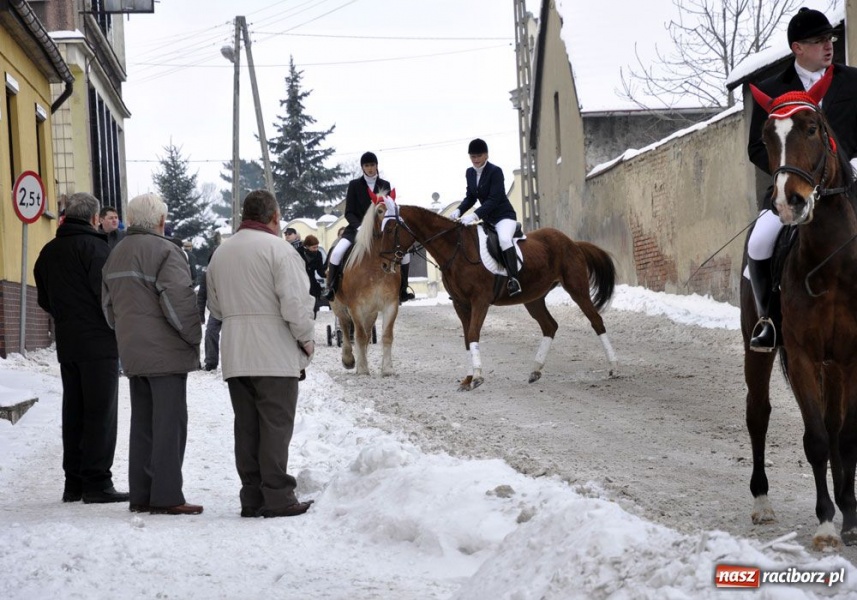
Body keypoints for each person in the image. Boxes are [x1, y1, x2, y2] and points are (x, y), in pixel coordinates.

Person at [746, 7, 857, 351]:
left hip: (848, 185)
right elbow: (755, 146)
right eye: (819, 40)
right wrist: (787, 175)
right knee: (759, 242)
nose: (829, 46)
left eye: (830, 39)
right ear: (797, 48)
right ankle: (768, 321)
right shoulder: (771, 89)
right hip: (793, 190)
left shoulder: (853, 80)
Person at [206, 189, 316, 519]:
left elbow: (215, 307)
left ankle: (251, 496)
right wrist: (306, 339)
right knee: (275, 425)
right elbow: (295, 305)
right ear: (275, 217)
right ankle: (279, 497)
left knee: (247, 426)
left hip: (236, 352)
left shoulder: (220, 255)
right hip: (274, 351)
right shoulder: (280, 251)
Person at [102, 193, 203, 515]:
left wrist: (127, 334)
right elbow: (179, 302)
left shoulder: (116, 253)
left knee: (143, 425)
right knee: (170, 426)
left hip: (132, 350)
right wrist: (193, 338)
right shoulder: (166, 251)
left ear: (130, 220)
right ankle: (167, 496)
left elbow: (107, 308)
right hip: (166, 353)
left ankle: (142, 494)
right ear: (161, 221)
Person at [34, 192, 129, 505]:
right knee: (101, 412)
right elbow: (107, 296)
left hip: (68, 342)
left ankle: (73, 483)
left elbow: (44, 299)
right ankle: (97, 483)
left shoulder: (48, 251)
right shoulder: (96, 248)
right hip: (99, 342)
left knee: (74, 411)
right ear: (94, 218)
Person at [325, 151, 414, 302]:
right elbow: (349, 212)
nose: (370, 168)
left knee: (405, 255)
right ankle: (332, 288)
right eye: (367, 166)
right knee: (336, 252)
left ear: (376, 166)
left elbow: (389, 208)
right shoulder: (354, 185)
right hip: (357, 228)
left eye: (372, 165)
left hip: (382, 230)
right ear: (362, 168)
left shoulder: (384, 185)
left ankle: (403, 289)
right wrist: (359, 227)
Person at [451, 138, 522, 296]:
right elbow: (470, 197)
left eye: (478, 156)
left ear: (486, 155)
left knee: (504, 239)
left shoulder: (495, 171)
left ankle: (514, 279)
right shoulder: (469, 173)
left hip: (504, 216)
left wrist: (475, 216)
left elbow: (494, 199)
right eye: (472, 157)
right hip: (488, 220)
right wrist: (459, 211)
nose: (475, 160)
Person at [298, 234, 326, 317]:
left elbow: (320, 270)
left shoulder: (319, 254)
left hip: (312, 282)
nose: (316, 249)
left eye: (317, 247)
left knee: (313, 307)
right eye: (314, 247)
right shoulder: (298, 252)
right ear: (307, 246)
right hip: (300, 281)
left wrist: (328, 274)